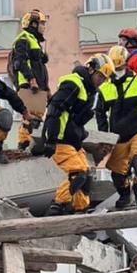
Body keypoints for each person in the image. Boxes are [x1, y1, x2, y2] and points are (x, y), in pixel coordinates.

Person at [40, 54, 114, 215]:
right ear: (91, 69)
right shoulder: (73, 83)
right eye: (100, 76)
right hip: (60, 139)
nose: (101, 80)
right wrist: (51, 140)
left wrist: (80, 133)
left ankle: (81, 211)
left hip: (72, 140)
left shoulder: (90, 92)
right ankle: (57, 206)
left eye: (104, 78)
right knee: (78, 173)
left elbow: (76, 120)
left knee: (86, 176)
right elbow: (55, 110)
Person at [97, 46, 137, 210]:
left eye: (120, 68)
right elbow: (100, 112)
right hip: (118, 137)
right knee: (117, 174)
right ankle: (125, 196)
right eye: (115, 69)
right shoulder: (105, 88)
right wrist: (105, 135)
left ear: (127, 64)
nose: (118, 71)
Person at [9, 9, 50, 149]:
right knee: (30, 118)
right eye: (42, 23)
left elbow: (40, 66)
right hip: (28, 85)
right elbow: (20, 62)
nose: (44, 27)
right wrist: (31, 79)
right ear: (33, 24)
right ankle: (24, 144)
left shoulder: (34, 41)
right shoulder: (23, 39)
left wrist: (46, 88)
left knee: (37, 118)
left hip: (38, 86)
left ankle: (31, 144)